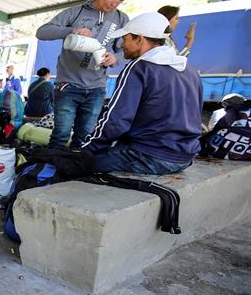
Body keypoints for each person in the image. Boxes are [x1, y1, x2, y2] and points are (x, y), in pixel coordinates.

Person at [82, 12, 203, 174]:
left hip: (148, 156)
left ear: (140, 39)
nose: (121, 46)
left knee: (74, 165)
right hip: (185, 158)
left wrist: (87, 150)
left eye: (125, 39)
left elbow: (116, 122)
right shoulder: (190, 70)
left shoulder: (139, 68)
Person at [36, 0, 135, 149]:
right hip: (68, 86)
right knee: (60, 135)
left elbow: (127, 51)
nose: (115, 3)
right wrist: (71, 30)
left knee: (84, 138)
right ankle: (50, 173)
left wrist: (115, 58)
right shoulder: (76, 12)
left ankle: (74, 174)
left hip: (97, 89)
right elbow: (42, 32)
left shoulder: (122, 19)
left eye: (122, 0)